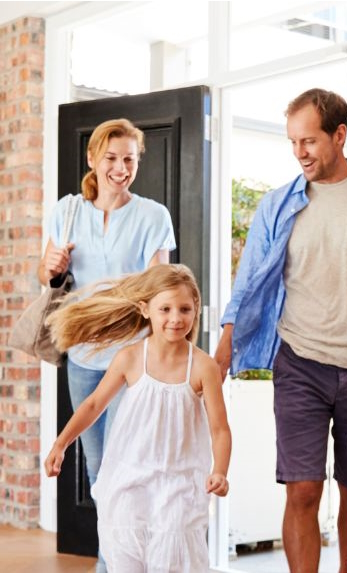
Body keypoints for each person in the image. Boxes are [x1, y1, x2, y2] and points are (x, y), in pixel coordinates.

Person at [214, 88, 347, 573]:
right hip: (300, 363)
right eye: (292, 142)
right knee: (303, 489)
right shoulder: (277, 205)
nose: (300, 152)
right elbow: (248, 284)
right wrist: (225, 343)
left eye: (309, 140)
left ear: (339, 134)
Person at [38, 118, 175, 570]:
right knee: (99, 473)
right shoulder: (68, 210)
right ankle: (115, 558)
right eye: (111, 159)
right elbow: (47, 276)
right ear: (93, 159)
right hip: (81, 356)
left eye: (129, 160)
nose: (120, 168)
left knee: (125, 467)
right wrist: (53, 266)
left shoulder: (153, 216)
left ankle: (115, 564)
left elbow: (162, 285)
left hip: (131, 358)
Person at [44, 263, 231, 572]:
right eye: (165, 309)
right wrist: (61, 444)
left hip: (179, 483)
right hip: (129, 478)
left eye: (185, 309)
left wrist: (220, 471)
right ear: (145, 309)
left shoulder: (202, 367)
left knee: (173, 559)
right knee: (126, 559)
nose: (175, 318)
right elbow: (93, 405)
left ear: (196, 309)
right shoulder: (130, 358)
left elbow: (220, 429)